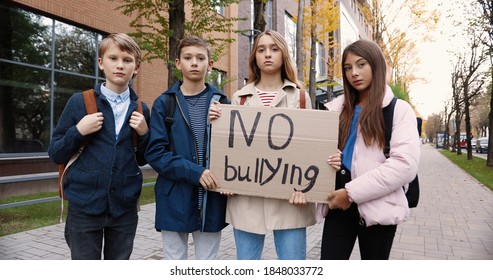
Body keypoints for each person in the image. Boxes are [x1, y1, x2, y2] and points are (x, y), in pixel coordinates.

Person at [209, 29, 335, 260]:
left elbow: (311, 148)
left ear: (283, 55)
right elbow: (230, 144)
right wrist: (225, 178)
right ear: (254, 56)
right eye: (261, 49)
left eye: (274, 49)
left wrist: (309, 186)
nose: (268, 54)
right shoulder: (239, 97)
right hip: (246, 199)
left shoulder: (301, 97)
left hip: (290, 199)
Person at [48, 33, 150, 260]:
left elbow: (142, 159)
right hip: (84, 207)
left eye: (127, 60)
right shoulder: (79, 102)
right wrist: (78, 131)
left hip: (124, 208)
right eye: (113, 58)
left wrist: (144, 134)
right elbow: (56, 153)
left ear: (136, 67)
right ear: (101, 63)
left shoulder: (141, 109)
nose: (120, 65)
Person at [319, 39, 421, 260]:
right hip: (338, 203)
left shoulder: (399, 110)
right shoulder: (336, 110)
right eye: (348, 68)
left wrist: (351, 193)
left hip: (378, 206)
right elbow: (315, 154)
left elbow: (404, 165)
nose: (354, 72)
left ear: (376, 65)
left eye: (361, 64)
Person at [145, 36, 230, 260]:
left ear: (210, 64)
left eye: (200, 58)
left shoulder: (222, 103)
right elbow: (155, 153)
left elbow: (233, 149)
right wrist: (196, 172)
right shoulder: (165, 103)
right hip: (174, 199)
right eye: (188, 57)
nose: (194, 62)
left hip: (211, 201)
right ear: (178, 63)